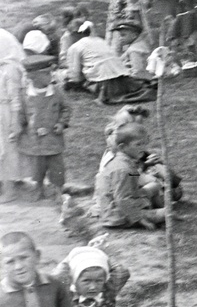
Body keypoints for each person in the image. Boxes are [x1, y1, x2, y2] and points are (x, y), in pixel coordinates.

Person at [17, 53, 69, 201]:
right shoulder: (25, 94)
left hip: (53, 137)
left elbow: (66, 108)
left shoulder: (56, 91)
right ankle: (38, 187)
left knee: (57, 166)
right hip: (35, 140)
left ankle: (59, 190)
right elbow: (22, 115)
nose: (50, 77)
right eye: (46, 74)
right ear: (33, 77)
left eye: (50, 73)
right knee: (37, 167)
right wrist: (18, 129)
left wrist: (61, 123)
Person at [95, 123, 166, 230]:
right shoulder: (122, 168)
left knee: (154, 186)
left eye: (144, 144)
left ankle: (155, 208)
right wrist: (140, 219)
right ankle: (151, 213)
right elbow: (122, 199)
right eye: (138, 145)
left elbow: (134, 177)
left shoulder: (125, 161)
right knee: (167, 213)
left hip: (125, 203)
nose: (143, 148)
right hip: (117, 215)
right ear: (122, 147)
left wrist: (146, 168)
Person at [64, 23, 151, 105]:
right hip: (123, 78)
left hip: (103, 82)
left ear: (75, 35)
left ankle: (102, 94)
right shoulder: (100, 40)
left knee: (73, 81)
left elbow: (75, 74)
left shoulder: (75, 47)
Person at [0, 31, 27, 202]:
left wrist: (16, 121)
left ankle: (10, 188)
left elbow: (15, 98)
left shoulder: (10, 70)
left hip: (7, 112)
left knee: (9, 149)